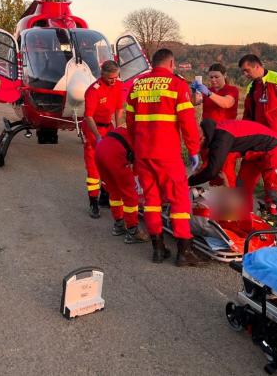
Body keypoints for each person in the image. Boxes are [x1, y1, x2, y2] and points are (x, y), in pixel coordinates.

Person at [126, 48, 204, 266]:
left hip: (143, 153)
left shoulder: (136, 85)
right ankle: (184, 251)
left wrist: (135, 148)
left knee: (151, 201)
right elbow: (187, 123)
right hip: (167, 154)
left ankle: (158, 249)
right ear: (171, 63)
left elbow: (130, 123)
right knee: (179, 201)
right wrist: (194, 150)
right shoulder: (177, 85)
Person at [189, 119, 277, 246]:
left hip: (271, 147)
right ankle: (245, 226)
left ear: (202, 138)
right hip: (253, 153)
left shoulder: (221, 138)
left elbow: (212, 171)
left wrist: (189, 182)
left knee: (275, 191)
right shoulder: (215, 137)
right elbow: (216, 170)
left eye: (195, 144)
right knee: (242, 188)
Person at [82, 60, 124, 218]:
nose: (113, 81)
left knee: (111, 165)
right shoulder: (93, 91)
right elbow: (88, 116)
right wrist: (98, 137)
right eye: (110, 78)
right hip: (94, 129)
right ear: (102, 75)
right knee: (93, 168)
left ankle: (105, 196)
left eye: (116, 77)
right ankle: (93, 202)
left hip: (109, 128)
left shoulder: (119, 86)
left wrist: (119, 131)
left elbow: (119, 110)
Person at [95, 126, 149, 243]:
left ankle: (118, 225)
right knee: (130, 194)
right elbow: (138, 163)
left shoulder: (128, 131)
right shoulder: (143, 139)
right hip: (114, 154)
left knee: (114, 191)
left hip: (100, 151)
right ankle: (132, 230)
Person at [191, 63, 239, 186]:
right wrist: (194, 91)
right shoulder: (208, 91)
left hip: (224, 137)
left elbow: (226, 103)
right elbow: (195, 102)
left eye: (216, 77)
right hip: (208, 136)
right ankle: (214, 200)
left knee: (226, 171)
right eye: (211, 77)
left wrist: (208, 93)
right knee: (211, 171)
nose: (213, 80)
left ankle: (231, 202)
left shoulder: (231, 90)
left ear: (225, 75)